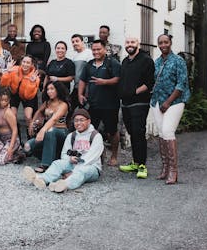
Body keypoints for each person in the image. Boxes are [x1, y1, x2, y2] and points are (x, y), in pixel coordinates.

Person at [22, 108, 103, 193]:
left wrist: (73, 171)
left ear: (89, 121)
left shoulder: (96, 136)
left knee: (82, 172)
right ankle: (41, 179)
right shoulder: (71, 136)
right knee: (57, 163)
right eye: (76, 121)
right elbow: (64, 154)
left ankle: (64, 184)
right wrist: (69, 159)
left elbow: (91, 158)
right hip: (73, 164)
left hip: (91, 167)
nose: (78, 123)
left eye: (81, 120)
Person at [151, 34, 190, 185]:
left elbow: (181, 84)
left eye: (165, 42)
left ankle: (174, 171)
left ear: (170, 43)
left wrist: (168, 102)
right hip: (157, 101)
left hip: (174, 102)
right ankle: (165, 168)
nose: (163, 45)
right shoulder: (157, 62)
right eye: (160, 42)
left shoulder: (178, 61)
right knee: (161, 133)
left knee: (168, 131)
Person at [78, 39, 121, 166]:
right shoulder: (89, 64)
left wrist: (105, 82)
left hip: (110, 104)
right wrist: (80, 94)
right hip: (93, 103)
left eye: (98, 49)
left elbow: (118, 78)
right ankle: (97, 155)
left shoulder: (112, 63)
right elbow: (82, 80)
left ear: (105, 49)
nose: (96, 52)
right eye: (94, 49)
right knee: (92, 130)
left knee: (111, 131)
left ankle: (114, 156)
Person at [117, 36, 155, 179]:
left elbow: (149, 83)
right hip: (126, 104)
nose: (130, 45)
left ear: (138, 44)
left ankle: (142, 166)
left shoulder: (146, 60)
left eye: (132, 42)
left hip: (140, 103)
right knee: (132, 133)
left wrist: (134, 92)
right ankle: (135, 162)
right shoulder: (125, 61)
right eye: (127, 42)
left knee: (139, 132)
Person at [24, 81, 70, 172]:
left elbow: (54, 119)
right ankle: (52, 157)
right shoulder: (47, 103)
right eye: (48, 89)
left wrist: (42, 130)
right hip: (48, 131)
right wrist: (32, 124)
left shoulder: (63, 104)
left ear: (58, 90)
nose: (49, 91)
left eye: (52, 89)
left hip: (61, 132)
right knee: (27, 147)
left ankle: (45, 164)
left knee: (50, 131)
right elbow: (38, 112)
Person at [1, 54, 40, 136]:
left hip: (28, 95)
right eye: (24, 62)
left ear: (32, 64)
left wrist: (32, 82)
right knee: (13, 116)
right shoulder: (14, 70)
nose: (25, 64)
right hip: (15, 94)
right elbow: (3, 84)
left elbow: (29, 95)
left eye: (28, 63)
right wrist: (7, 72)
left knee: (28, 116)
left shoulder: (35, 76)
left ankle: (30, 137)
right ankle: (17, 136)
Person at [0, 87, 19, 166]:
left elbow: (15, 130)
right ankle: (4, 151)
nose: (3, 102)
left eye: (6, 100)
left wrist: (10, 148)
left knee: (1, 161)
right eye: (2, 100)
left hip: (11, 140)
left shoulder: (9, 112)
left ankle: (18, 153)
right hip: (1, 139)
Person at [69, 34, 91, 107]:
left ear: (82, 42)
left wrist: (87, 91)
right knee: (71, 108)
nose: (75, 43)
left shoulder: (89, 53)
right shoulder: (74, 56)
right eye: (73, 42)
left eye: (77, 41)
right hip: (76, 87)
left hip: (86, 88)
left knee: (84, 110)